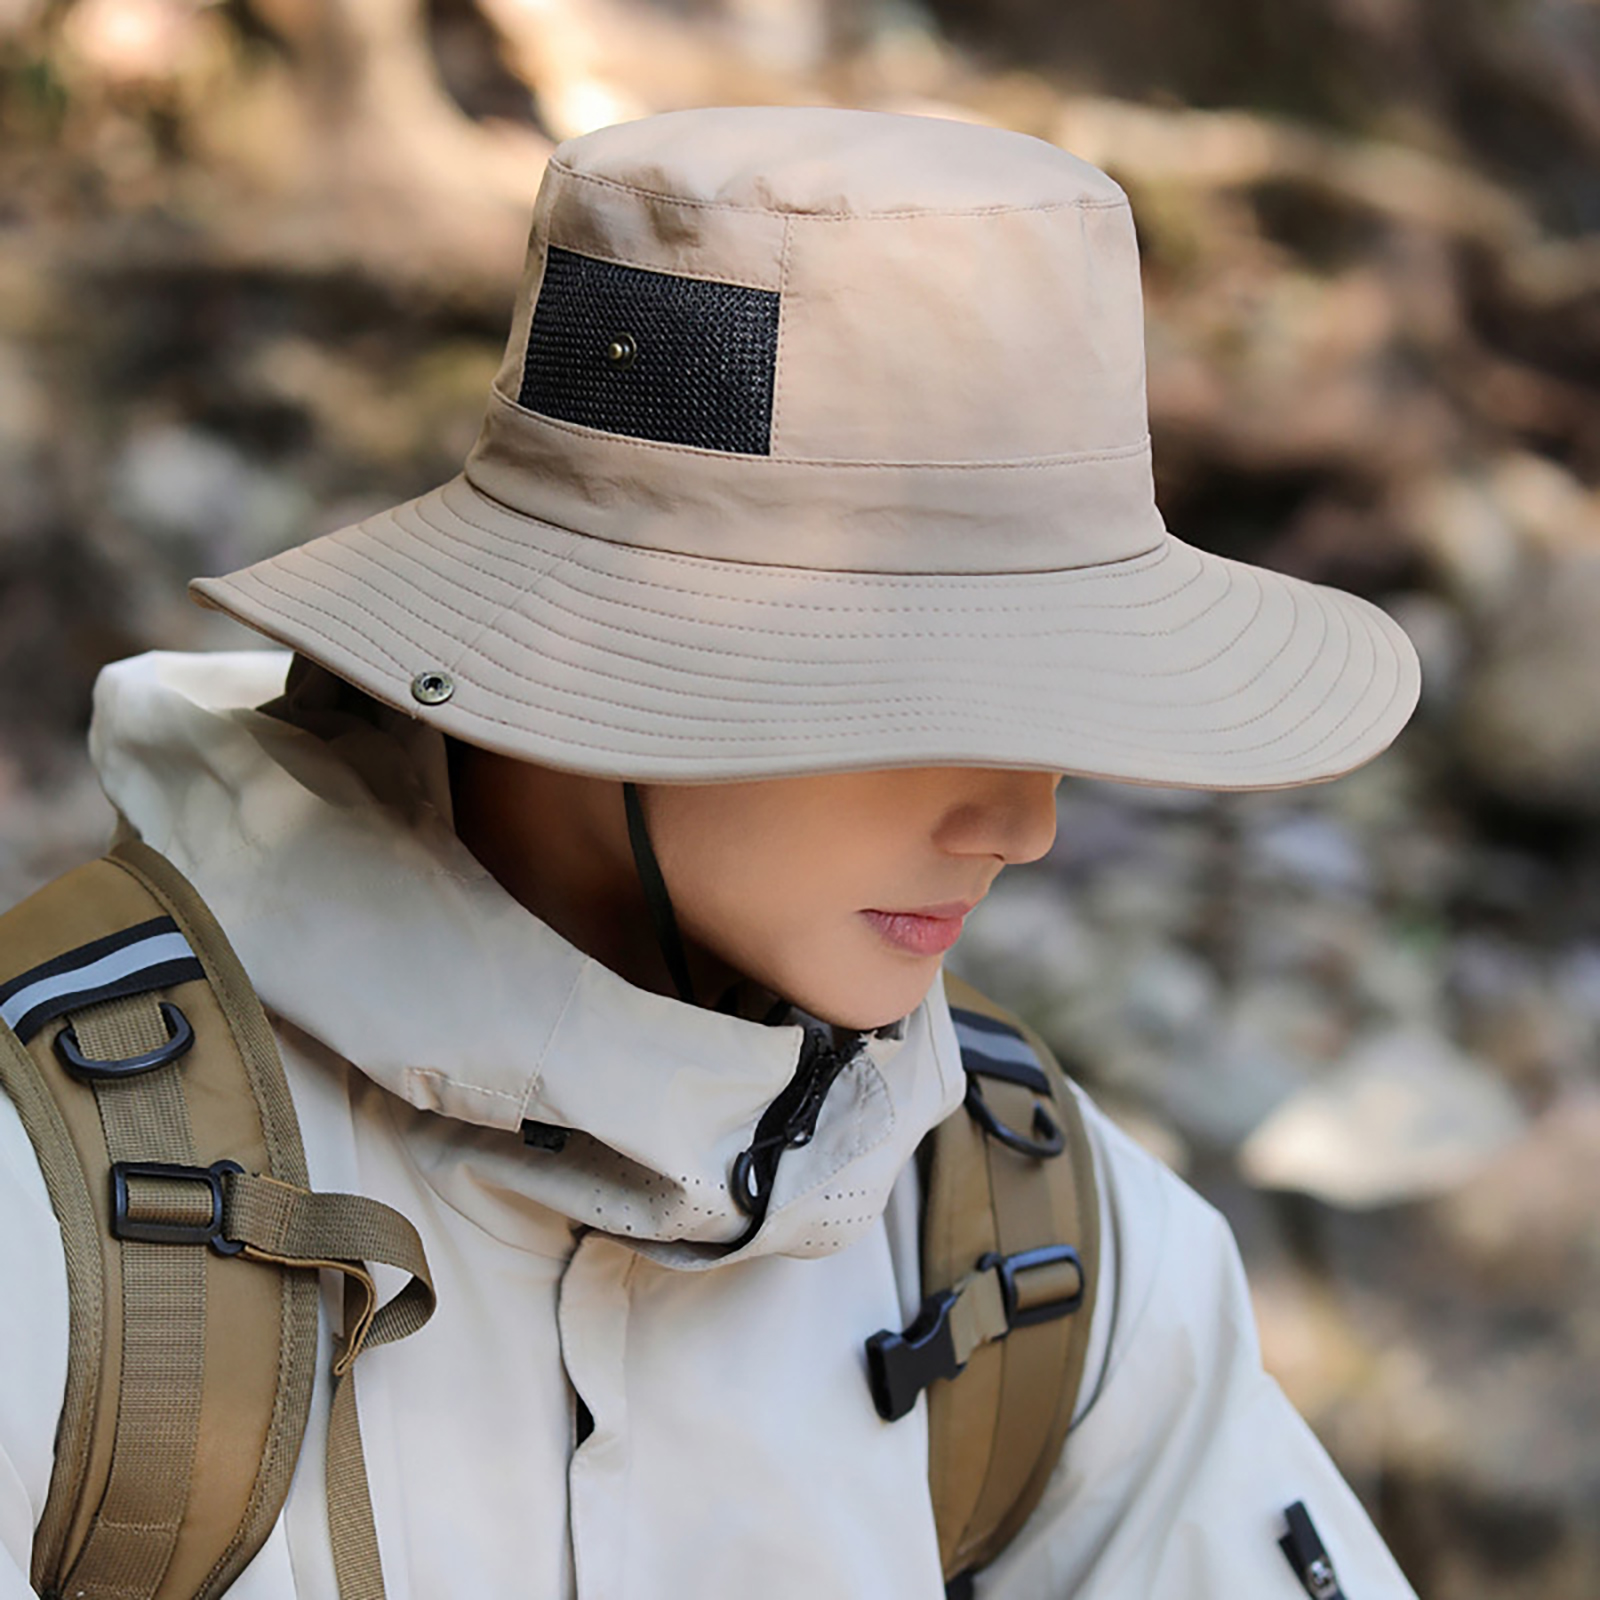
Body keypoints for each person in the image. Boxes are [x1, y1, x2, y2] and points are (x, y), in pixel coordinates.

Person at [0, 104, 1424, 1598]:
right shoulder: (53, 1214)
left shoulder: (1037, 1240)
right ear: (597, 651)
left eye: (1058, 697)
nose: (1026, 823)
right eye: (933, 696)